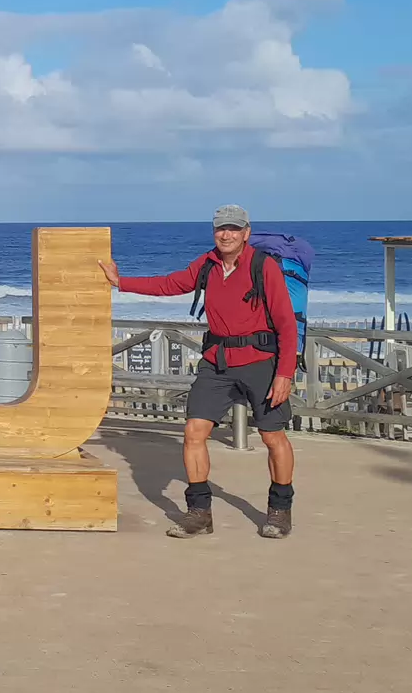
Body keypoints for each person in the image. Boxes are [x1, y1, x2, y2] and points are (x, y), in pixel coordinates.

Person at [100, 205, 300, 539]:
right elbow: (170, 284)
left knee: (272, 436)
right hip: (217, 362)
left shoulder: (263, 267)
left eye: (233, 229)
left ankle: (280, 511)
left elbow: (286, 323)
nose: (226, 234)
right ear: (214, 232)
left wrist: (284, 374)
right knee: (194, 432)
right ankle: (199, 514)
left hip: (260, 361)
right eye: (221, 228)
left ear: (246, 233)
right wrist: (121, 282)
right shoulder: (206, 265)